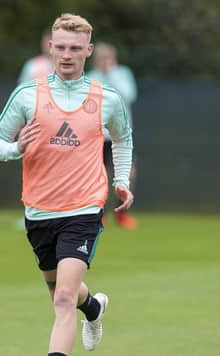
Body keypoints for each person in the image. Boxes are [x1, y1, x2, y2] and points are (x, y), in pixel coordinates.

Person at [0, 13, 134, 356]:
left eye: (75, 48)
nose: (67, 55)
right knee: (61, 293)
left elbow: (123, 139)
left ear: (88, 51)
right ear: (50, 48)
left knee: (64, 297)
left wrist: (120, 180)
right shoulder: (27, 97)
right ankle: (95, 309)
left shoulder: (107, 99)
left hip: (85, 209)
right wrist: (16, 149)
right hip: (39, 213)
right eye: (60, 47)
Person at [87, 42, 139, 229]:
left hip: (121, 137)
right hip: (98, 136)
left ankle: (122, 214)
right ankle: (97, 214)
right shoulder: (91, 78)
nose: (104, 62)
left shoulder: (122, 74)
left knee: (128, 175)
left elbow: (129, 95)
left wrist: (111, 73)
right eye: (101, 58)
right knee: (98, 177)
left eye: (108, 58)